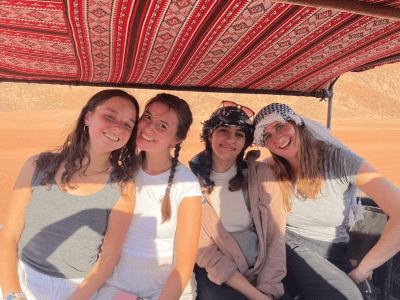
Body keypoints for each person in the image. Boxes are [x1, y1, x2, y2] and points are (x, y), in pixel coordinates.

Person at [0, 89, 140, 300]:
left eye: (128, 124)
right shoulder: (38, 165)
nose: (118, 127)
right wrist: (13, 294)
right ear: (88, 117)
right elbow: (8, 237)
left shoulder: (122, 186)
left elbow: (108, 259)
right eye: (110, 116)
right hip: (21, 279)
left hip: (78, 290)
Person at [253, 103, 400, 300]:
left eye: (279, 126)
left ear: (296, 123)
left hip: (334, 253)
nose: (277, 138)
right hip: (288, 245)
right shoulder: (268, 170)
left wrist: (365, 267)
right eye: (267, 136)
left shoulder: (338, 160)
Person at [94, 93, 203, 300]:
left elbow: (183, 267)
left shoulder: (186, 184)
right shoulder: (121, 172)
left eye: (163, 126)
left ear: (176, 139)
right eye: (147, 117)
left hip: (167, 289)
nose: (149, 128)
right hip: (118, 284)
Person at [189, 101, 287, 300]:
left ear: (246, 142)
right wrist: (255, 296)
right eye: (223, 130)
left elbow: (275, 237)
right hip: (219, 274)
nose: (230, 139)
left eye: (239, 134)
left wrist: (267, 289)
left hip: (264, 273)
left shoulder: (262, 175)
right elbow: (202, 249)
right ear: (210, 135)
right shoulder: (189, 181)